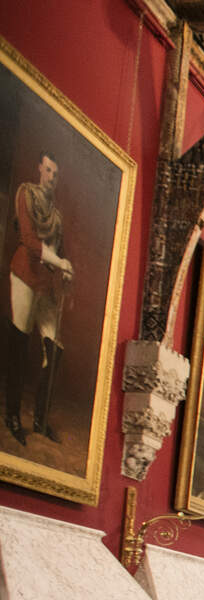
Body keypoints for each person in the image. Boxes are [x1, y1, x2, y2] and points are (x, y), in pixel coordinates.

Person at [6, 153, 72, 444]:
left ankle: (40, 419)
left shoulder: (56, 216)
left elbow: (60, 252)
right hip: (23, 274)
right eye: (47, 171)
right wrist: (61, 263)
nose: (50, 177)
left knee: (54, 350)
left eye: (55, 174)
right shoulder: (25, 194)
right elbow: (32, 243)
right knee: (19, 347)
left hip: (45, 285)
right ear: (39, 169)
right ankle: (12, 416)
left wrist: (65, 269)